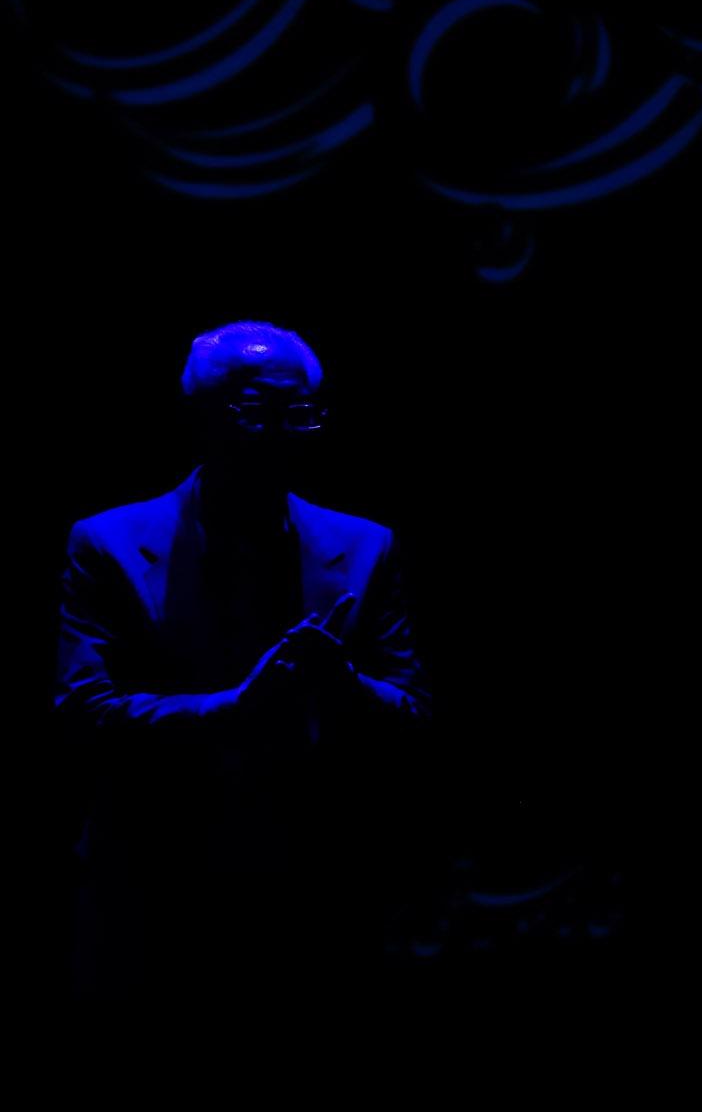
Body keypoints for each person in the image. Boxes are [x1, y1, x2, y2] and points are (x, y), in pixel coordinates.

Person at [56, 320, 430, 1005]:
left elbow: (415, 718)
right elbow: (83, 715)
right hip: (154, 896)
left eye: (300, 413)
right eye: (255, 411)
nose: (280, 434)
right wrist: (229, 709)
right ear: (199, 418)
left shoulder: (367, 548)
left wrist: (342, 686)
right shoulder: (107, 545)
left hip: (316, 902)